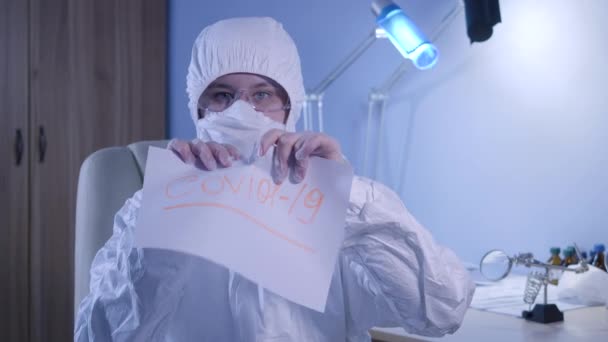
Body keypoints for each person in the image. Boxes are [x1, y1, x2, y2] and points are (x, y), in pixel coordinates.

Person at [74, 17, 475, 341]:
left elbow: (440, 313)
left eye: (262, 95)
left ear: (289, 106)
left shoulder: (338, 207)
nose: (241, 112)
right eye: (221, 96)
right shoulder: (151, 203)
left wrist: (346, 196)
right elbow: (98, 335)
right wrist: (171, 220)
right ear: (199, 107)